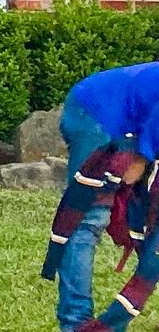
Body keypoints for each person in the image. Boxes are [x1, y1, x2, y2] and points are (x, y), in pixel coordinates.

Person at [50, 63, 159, 329]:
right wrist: (141, 158)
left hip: (132, 118)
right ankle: (76, 322)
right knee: (87, 220)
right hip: (96, 110)